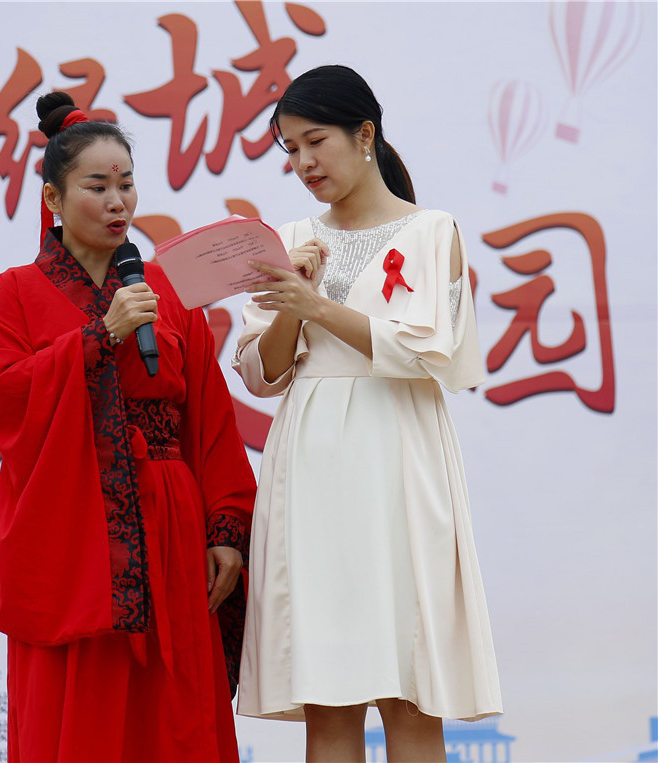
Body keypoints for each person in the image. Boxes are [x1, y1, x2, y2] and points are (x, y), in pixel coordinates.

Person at [0, 92, 256, 762]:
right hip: (74, 531)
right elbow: (10, 398)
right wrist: (99, 338)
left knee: (173, 709)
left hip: (171, 526)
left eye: (126, 185)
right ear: (53, 198)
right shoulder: (17, 291)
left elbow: (209, 416)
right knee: (86, 707)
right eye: (96, 186)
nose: (116, 202)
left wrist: (225, 529)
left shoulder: (164, 289)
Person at [233, 65, 502, 763]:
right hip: (311, 464)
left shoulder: (433, 231)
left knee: (412, 698)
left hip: (401, 459)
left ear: (365, 134)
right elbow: (261, 373)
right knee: (329, 702)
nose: (304, 162)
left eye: (315, 141)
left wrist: (318, 306)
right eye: (290, 149)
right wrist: (294, 302)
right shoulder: (290, 238)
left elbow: (431, 353)